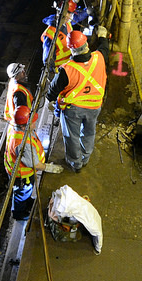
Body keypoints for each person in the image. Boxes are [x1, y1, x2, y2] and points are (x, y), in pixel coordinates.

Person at [44, 27, 109, 172]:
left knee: (71, 136)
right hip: (94, 107)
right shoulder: (100, 57)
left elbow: (51, 92)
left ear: (71, 49)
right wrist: (102, 36)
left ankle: (76, 164)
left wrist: (51, 101)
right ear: (86, 45)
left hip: (73, 110)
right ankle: (85, 158)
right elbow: (104, 46)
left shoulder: (66, 69)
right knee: (89, 132)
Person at [4, 106, 45, 221]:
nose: (35, 124)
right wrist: (47, 167)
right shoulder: (23, 143)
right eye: (32, 122)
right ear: (23, 126)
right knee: (21, 194)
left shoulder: (14, 124)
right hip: (22, 175)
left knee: (22, 193)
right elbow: (35, 164)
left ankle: (26, 201)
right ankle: (19, 214)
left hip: (13, 168)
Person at [40, 0, 75, 74]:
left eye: (71, 13)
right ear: (60, 12)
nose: (70, 16)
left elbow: (78, 18)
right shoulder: (50, 34)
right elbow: (47, 60)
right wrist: (54, 74)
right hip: (61, 69)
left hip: (70, 64)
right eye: (68, 13)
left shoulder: (66, 23)